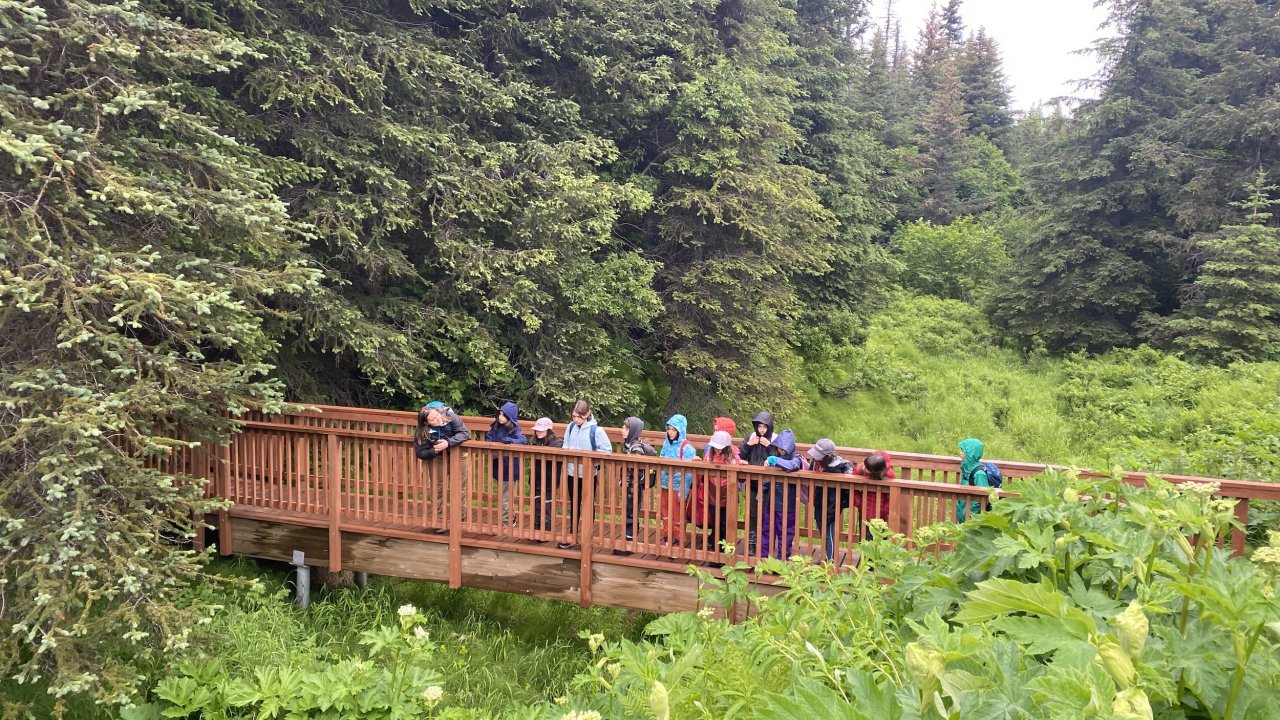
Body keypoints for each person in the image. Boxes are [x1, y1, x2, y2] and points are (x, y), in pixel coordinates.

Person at [559, 400, 612, 549]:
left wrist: (592, 459)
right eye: (574, 416)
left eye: (578, 417)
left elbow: (607, 450)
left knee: (588, 505)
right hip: (571, 473)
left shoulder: (596, 430)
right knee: (574, 504)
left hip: (589, 474)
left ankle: (587, 537)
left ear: (587, 414)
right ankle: (573, 535)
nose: (575, 420)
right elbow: (565, 445)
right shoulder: (570, 427)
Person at [415, 403, 470, 531]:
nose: (437, 419)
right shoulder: (421, 430)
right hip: (437, 457)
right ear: (426, 423)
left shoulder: (450, 415)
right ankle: (439, 521)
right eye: (433, 419)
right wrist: (433, 452)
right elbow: (420, 452)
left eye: (437, 416)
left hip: (458, 454)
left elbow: (464, 433)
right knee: (437, 488)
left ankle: (460, 518)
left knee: (460, 486)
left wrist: (448, 443)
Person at [692, 430, 743, 555]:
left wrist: (741, 464)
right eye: (715, 447)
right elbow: (703, 472)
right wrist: (698, 462)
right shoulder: (709, 455)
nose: (717, 449)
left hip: (728, 496)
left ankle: (725, 553)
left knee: (726, 525)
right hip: (712, 495)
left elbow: (740, 477)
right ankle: (716, 553)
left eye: (719, 447)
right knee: (716, 524)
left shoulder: (733, 458)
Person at [761, 429, 807, 559]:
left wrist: (775, 460)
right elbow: (767, 479)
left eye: (783, 448)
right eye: (779, 447)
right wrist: (762, 493)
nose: (781, 450)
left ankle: (782, 560)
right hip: (771, 502)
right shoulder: (775, 458)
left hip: (787, 504)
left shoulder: (796, 458)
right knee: (767, 530)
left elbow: (792, 465)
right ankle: (764, 558)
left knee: (785, 532)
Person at [806, 438, 855, 562]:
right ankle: (827, 555)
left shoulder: (840, 466)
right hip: (818, 499)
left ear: (828, 456)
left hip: (832, 502)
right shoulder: (815, 462)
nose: (815, 458)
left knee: (828, 530)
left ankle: (831, 560)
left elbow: (850, 475)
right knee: (821, 526)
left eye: (819, 456)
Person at [738, 411, 776, 553]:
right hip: (752, 481)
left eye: (764, 427)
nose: (761, 430)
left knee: (767, 514)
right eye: (759, 426)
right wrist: (748, 445)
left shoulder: (774, 439)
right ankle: (751, 544)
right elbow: (740, 455)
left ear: (769, 427)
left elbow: (780, 459)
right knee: (752, 513)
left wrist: (769, 446)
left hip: (769, 484)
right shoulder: (751, 437)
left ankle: (766, 545)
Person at [658, 414, 697, 547]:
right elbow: (661, 458)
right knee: (665, 512)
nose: (671, 432)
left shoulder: (687, 448)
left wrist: (683, 491)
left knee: (677, 514)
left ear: (681, 430)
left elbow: (688, 474)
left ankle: (678, 538)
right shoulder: (666, 444)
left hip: (678, 486)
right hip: (665, 483)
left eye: (674, 430)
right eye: (669, 429)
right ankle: (667, 536)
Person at [485, 401, 527, 526]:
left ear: (510, 418)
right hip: (499, 464)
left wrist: (509, 441)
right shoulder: (496, 426)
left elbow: (523, 440)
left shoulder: (514, 429)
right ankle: (510, 518)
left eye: (503, 415)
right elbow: (489, 436)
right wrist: (491, 443)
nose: (500, 417)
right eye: (500, 414)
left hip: (510, 467)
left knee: (506, 496)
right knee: (505, 495)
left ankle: (506, 522)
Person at [620, 417, 657, 543]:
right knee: (628, 509)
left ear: (633, 431)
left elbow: (635, 469)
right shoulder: (628, 445)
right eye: (623, 428)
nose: (623, 430)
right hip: (629, 484)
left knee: (631, 510)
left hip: (634, 485)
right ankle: (628, 534)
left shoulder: (636, 448)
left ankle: (630, 536)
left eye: (626, 428)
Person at [529, 417, 561, 532]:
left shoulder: (556, 443)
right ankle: (536, 527)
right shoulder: (534, 441)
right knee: (537, 503)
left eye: (541, 430)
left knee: (547, 505)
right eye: (537, 430)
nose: (538, 432)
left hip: (549, 480)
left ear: (548, 430)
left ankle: (546, 529)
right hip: (536, 478)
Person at [852, 451, 895, 536]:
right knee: (864, 540)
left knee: (881, 540)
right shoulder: (861, 468)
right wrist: (860, 504)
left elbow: (891, 497)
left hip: (881, 516)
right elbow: (853, 488)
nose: (864, 469)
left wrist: (884, 511)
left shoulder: (889, 475)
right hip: (864, 512)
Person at [956, 438, 989, 522]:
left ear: (970, 453)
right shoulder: (966, 469)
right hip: (964, 515)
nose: (960, 453)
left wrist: (970, 515)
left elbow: (983, 497)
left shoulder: (979, 474)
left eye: (962, 451)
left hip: (972, 519)